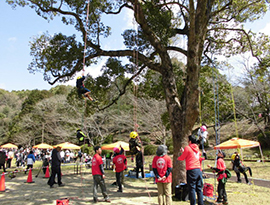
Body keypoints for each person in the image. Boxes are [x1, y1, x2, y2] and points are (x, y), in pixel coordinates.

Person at [177, 135, 204, 205]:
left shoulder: (188, 148)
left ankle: (193, 203)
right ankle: (201, 203)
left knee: (191, 188)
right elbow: (192, 155)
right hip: (198, 169)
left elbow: (183, 157)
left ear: (190, 141)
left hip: (191, 169)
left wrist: (178, 157)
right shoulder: (197, 148)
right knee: (199, 188)